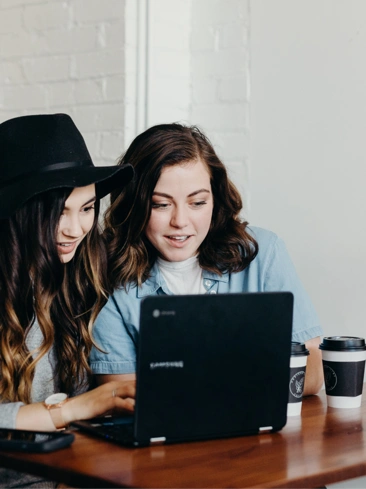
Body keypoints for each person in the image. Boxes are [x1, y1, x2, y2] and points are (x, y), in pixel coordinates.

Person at [90, 123, 324, 396]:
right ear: (135, 205)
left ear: (215, 199)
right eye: (161, 204)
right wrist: (247, 373)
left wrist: (191, 383)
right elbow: (119, 394)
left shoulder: (262, 252)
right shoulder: (108, 273)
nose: (180, 221)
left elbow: (312, 372)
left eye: (197, 202)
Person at [0, 113, 135, 488]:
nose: (75, 230)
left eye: (88, 208)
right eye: (59, 212)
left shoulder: (84, 275)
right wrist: (74, 408)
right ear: (20, 211)